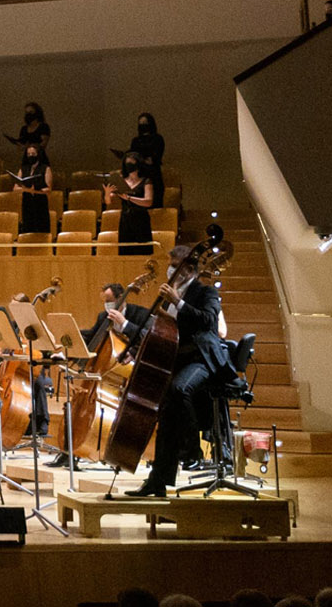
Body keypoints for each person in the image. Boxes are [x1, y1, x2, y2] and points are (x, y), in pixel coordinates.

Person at [128, 245, 232, 496]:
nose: (170, 269)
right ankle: (158, 482)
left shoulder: (205, 292)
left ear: (188, 269)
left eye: (175, 264)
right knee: (165, 414)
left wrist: (179, 302)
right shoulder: (171, 296)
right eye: (170, 264)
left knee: (178, 390)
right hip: (178, 359)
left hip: (203, 358)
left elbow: (208, 322)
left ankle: (192, 448)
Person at [106, 154, 155, 256]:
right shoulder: (122, 181)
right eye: (127, 164)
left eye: (132, 164)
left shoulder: (146, 181)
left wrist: (129, 198)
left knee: (142, 251)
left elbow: (148, 201)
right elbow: (108, 202)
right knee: (125, 251)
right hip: (125, 219)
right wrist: (107, 192)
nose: (129, 167)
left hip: (141, 219)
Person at [84, 282, 151, 351]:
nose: (106, 305)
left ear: (120, 298)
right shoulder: (103, 316)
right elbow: (91, 336)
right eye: (105, 302)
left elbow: (148, 338)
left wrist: (124, 323)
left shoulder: (141, 313)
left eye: (108, 301)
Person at [14, 144, 52, 235]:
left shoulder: (45, 168)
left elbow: (49, 189)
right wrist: (27, 190)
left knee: (42, 229)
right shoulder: (23, 169)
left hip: (40, 202)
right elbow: (15, 188)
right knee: (28, 228)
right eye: (28, 154)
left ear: (38, 154)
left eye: (33, 153)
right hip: (27, 203)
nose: (31, 156)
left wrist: (33, 191)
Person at [128, 113, 166, 182]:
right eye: (140, 123)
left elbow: (156, 157)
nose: (142, 125)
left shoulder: (157, 139)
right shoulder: (136, 141)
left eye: (145, 123)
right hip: (139, 176)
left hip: (153, 175)